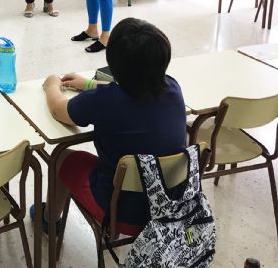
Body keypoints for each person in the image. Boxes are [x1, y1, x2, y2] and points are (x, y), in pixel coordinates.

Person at [37, 17, 186, 233]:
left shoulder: (104, 100)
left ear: (113, 63)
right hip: (168, 206)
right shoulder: (173, 88)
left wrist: (52, 85)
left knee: (61, 157)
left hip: (119, 212)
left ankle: (48, 220)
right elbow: (137, 84)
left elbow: (58, 109)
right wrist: (88, 84)